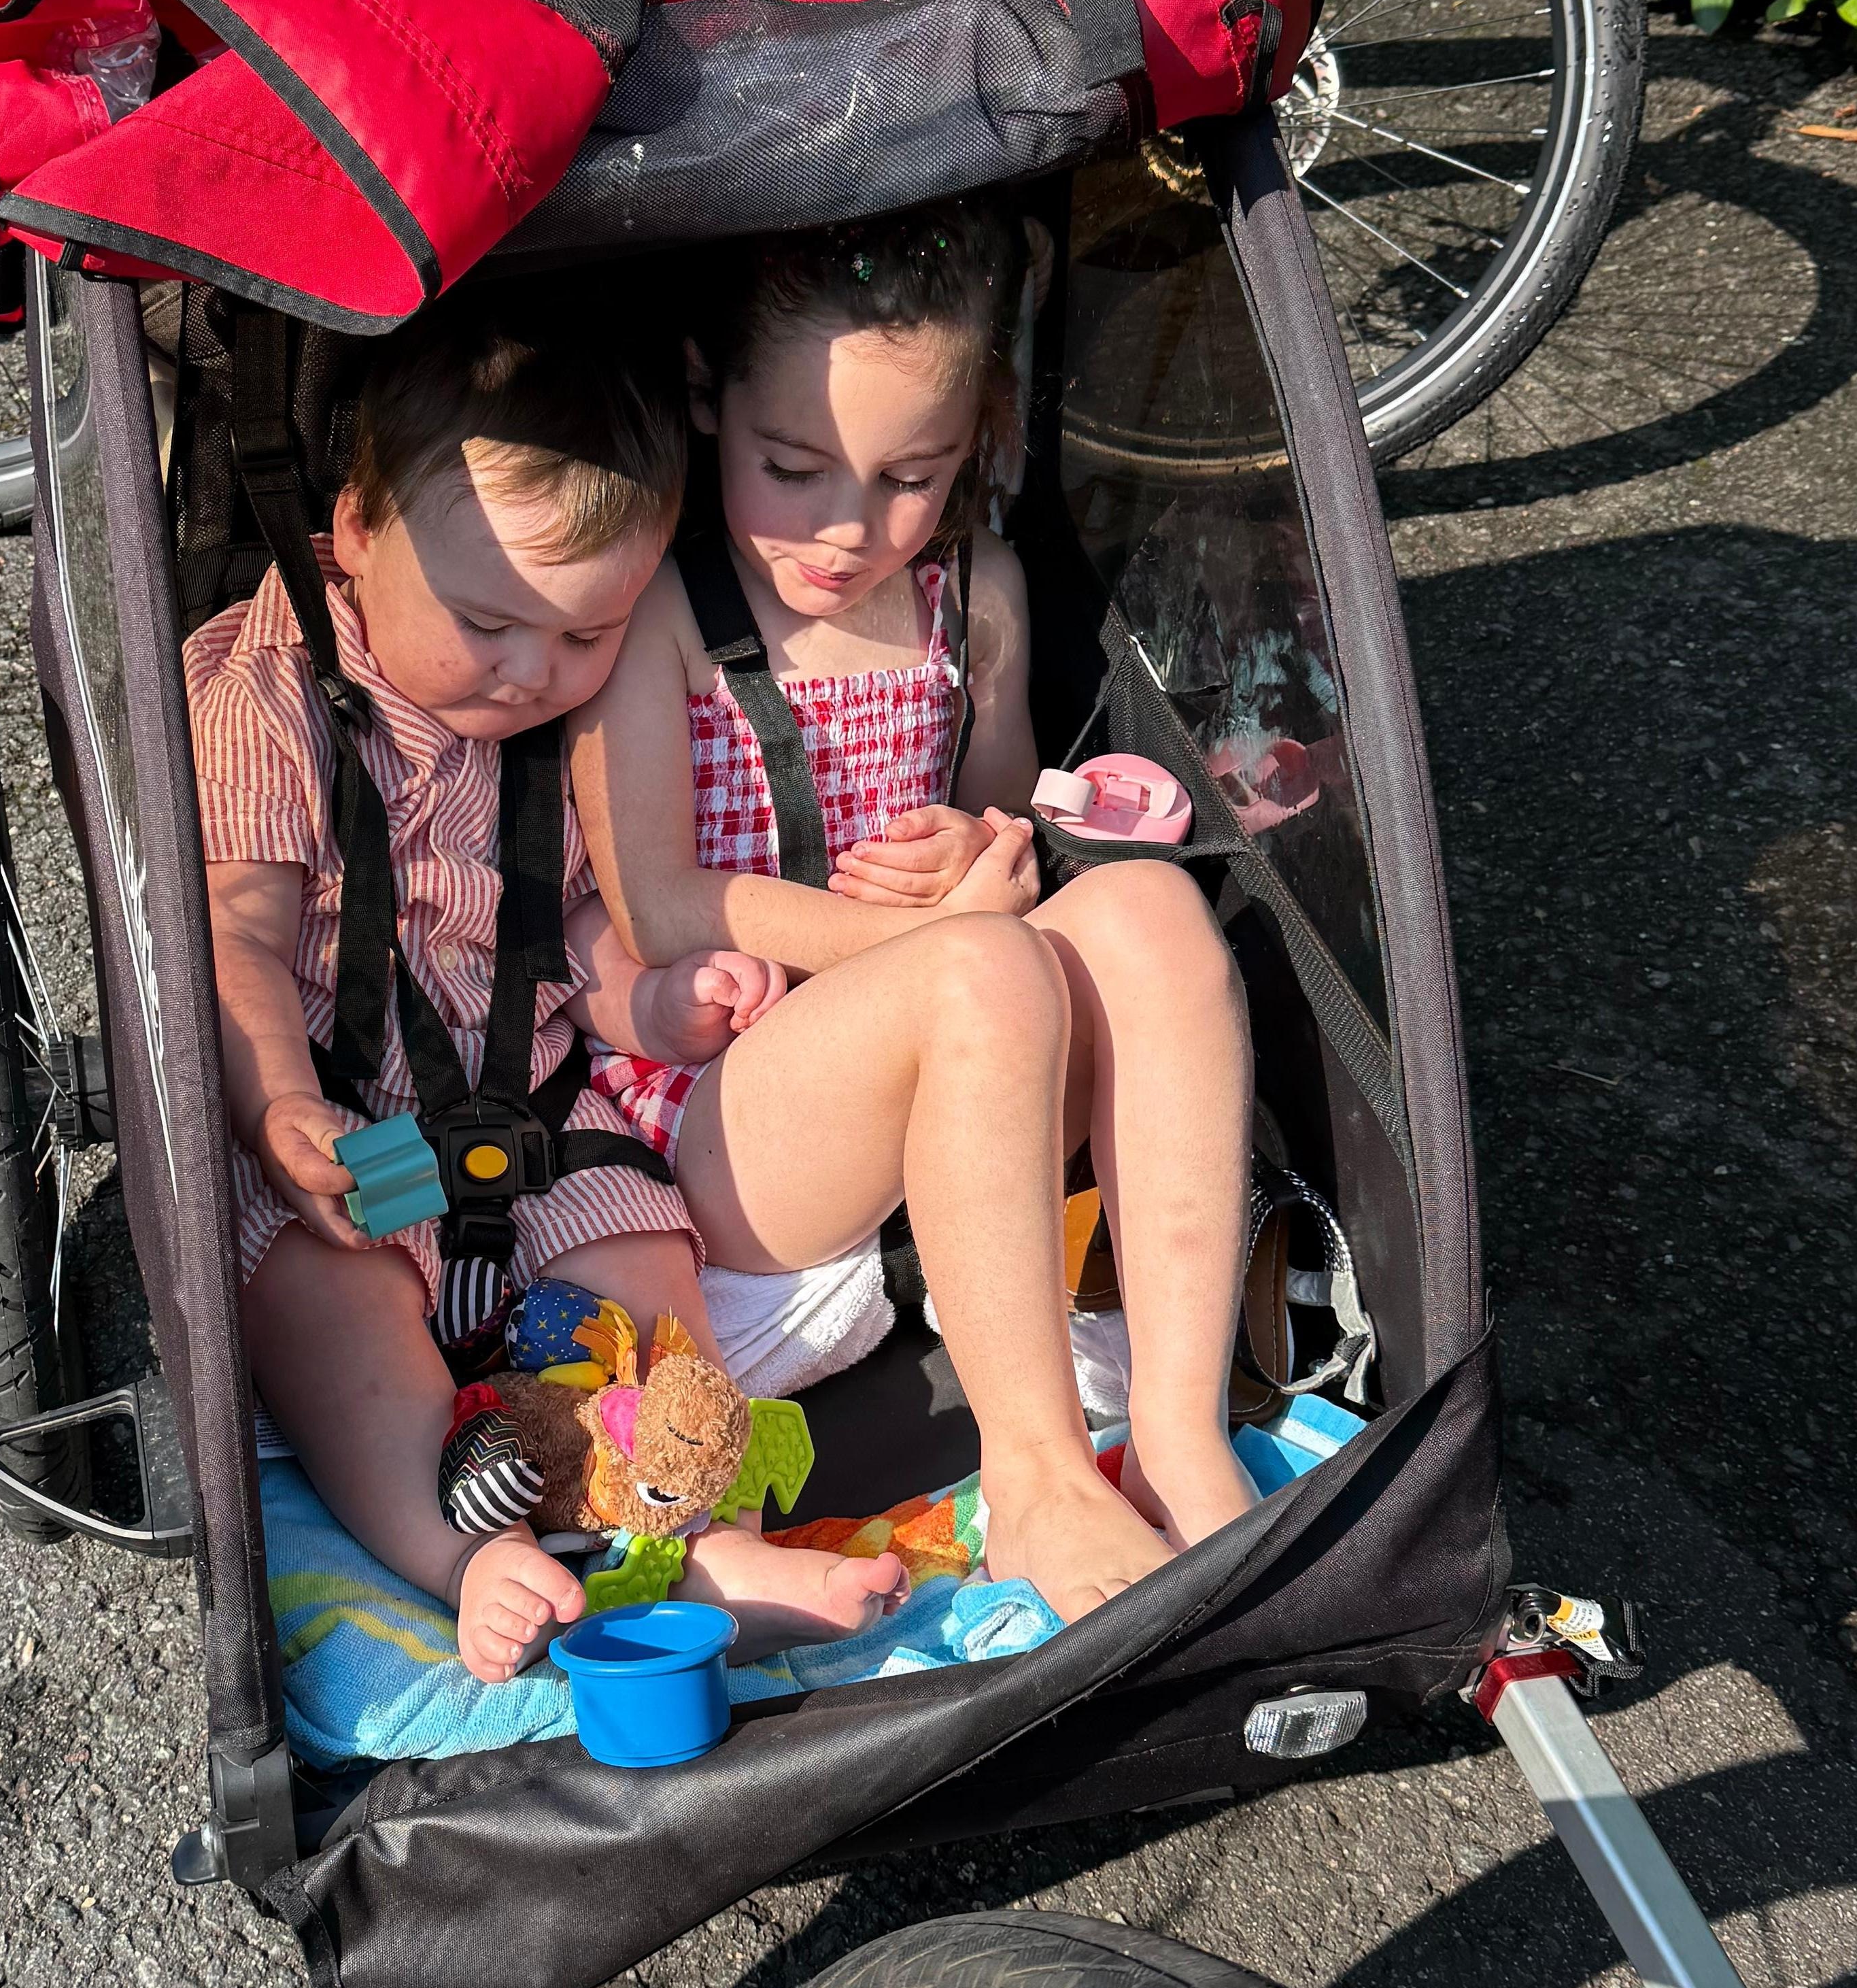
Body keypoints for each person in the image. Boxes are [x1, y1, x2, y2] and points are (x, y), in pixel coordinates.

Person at [190, 279, 908, 1685]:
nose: (531, 674)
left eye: (585, 638)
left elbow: (567, 935)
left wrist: (650, 1001)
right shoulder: (269, 690)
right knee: (337, 1312)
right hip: (356, 1135)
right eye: (489, 623)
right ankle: (459, 1549)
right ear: (351, 532)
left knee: (650, 1277)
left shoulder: (562, 727)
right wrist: (281, 1105)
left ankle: (706, 1541)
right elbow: (235, 933)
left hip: (530, 1122)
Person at [568, 199, 1259, 1623]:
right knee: (985, 978)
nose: (844, 527)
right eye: (791, 466)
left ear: (973, 446)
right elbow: (659, 902)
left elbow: (996, 813)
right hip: (729, 1121)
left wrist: (979, 851)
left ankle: (1182, 1439)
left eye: (909, 478)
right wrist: (938, 937)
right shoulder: (666, 613)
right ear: (709, 400)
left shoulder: (972, 596)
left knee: (1146, 921)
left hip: (962, 1072)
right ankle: (1042, 1482)